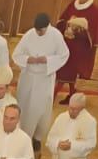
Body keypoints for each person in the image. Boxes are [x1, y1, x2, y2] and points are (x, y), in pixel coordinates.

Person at [14, 14, 70, 145]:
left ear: (47, 26)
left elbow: (64, 55)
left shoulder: (56, 36)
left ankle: (37, 137)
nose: (38, 33)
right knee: (24, 105)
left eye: (41, 30)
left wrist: (47, 60)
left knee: (40, 109)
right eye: (37, 30)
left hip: (44, 78)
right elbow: (17, 54)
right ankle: (21, 135)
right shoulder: (29, 34)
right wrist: (28, 59)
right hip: (28, 76)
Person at [44, 94, 97, 159]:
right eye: (70, 108)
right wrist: (58, 143)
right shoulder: (62, 117)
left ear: (82, 108)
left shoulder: (90, 121)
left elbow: (91, 144)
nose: (71, 111)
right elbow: (50, 138)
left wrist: (71, 145)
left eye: (75, 109)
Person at [54, 0, 98, 99]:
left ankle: (52, 96)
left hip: (80, 49)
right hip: (66, 44)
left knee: (68, 72)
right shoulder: (73, 4)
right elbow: (63, 19)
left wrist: (79, 32)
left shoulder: (95, 11)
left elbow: (93, 34)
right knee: (66, 72)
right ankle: (72, 94)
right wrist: (66, 26)